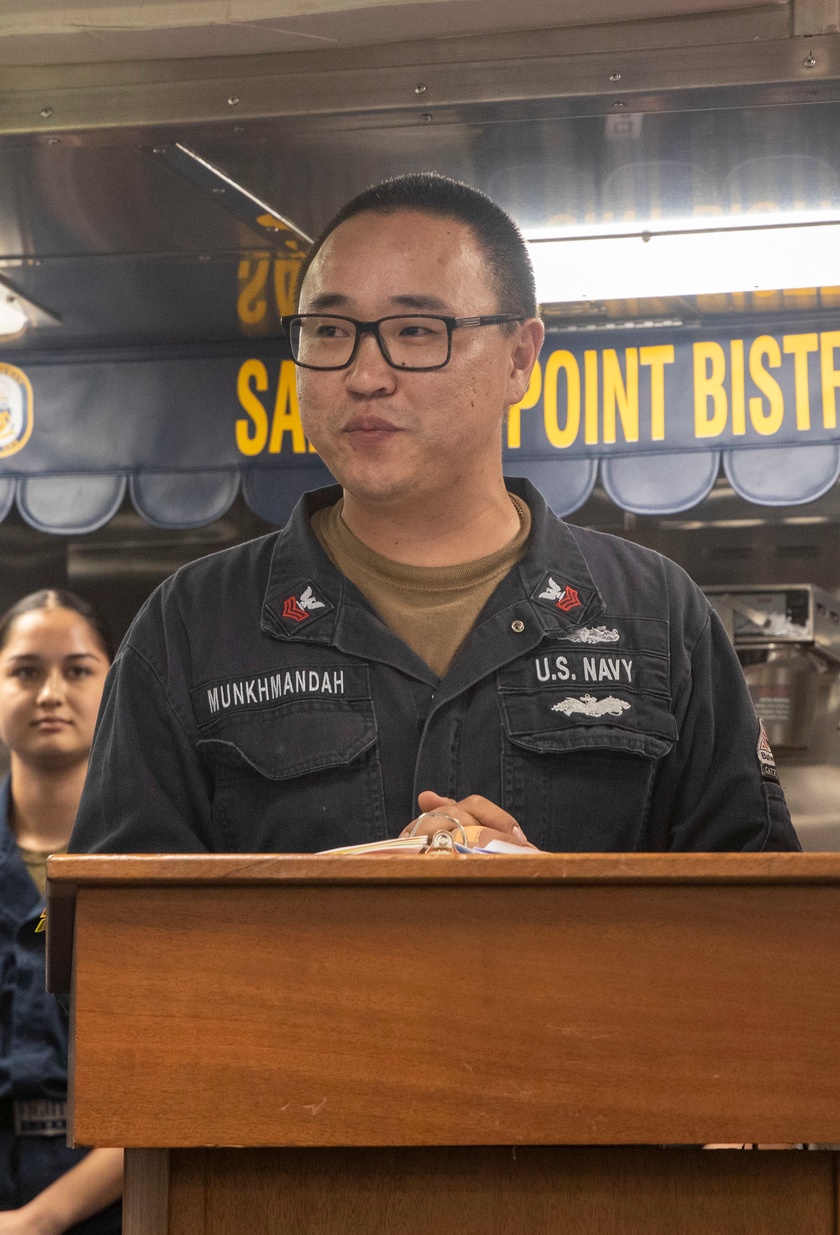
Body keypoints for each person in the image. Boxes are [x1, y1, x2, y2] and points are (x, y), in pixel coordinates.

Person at [69, 173, 799, 856]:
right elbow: (113, 951)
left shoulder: (658, 617)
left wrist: (561, 906)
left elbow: (767, 933)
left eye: (417, 330)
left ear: (520, 358)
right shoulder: (193, 628)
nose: (363, 374)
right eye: (329, 332)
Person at [0, 590, 122, 1235]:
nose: (50, 692)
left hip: (117, 1220)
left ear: (115, 683)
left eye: (77, 670)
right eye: (24, 670)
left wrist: (41, 1222)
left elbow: (175, 1087)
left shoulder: (150, 863)